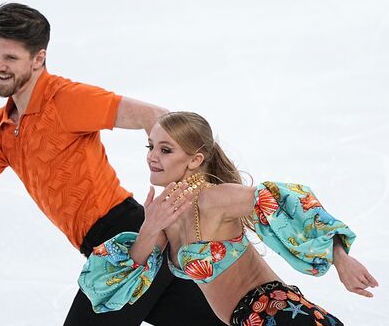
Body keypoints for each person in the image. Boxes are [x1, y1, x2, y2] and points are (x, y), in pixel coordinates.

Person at [0, 3, 226, 325]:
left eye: (11, 58)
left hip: (124, 236)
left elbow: (154, 117)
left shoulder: (66, 99)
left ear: (38, 58)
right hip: (110, 241)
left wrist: (180, 195)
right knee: (219, 319)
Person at [79, 111, 379, 325]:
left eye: (165, 149)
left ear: (195, 160)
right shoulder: (165, 214)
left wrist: (340, 258)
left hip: (277, 313)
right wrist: (149, 229)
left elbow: (288, 199)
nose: (152, 156)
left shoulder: (214, 198)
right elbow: (112, 283)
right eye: (151, 147)